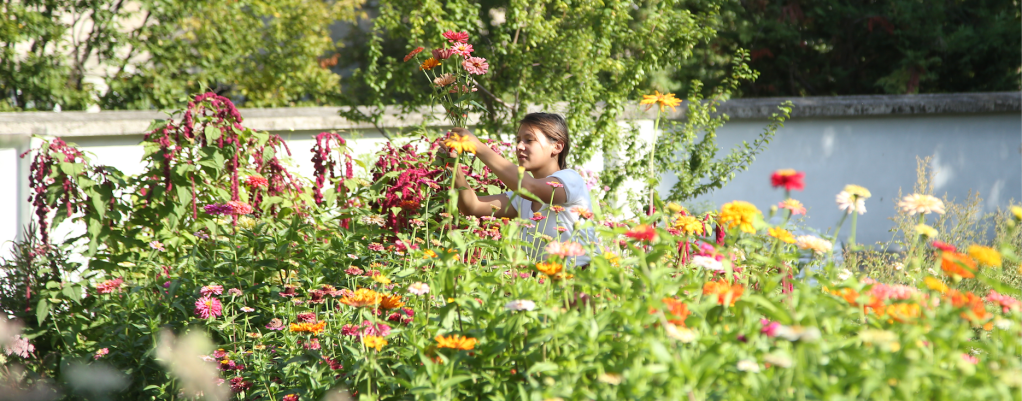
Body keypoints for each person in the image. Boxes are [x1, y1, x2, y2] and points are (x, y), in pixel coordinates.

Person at [441, 113, 596, 266]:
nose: (519, 146)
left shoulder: (570, 179)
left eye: (529, 140)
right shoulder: (522, 199)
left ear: (557, 146)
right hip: (547, 284)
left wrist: (477, 147)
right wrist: (453, 167)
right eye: (518, 140)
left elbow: (530, 187)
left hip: (582, 282)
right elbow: (472, 206)